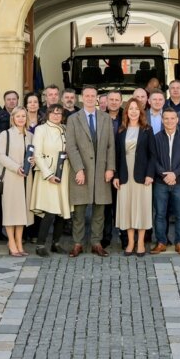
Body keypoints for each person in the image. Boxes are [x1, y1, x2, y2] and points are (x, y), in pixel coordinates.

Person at [64, 86, 116, 257]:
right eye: (86, 95)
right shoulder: (73, 119)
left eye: (93, 96)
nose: (89, 98)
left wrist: (110, 168)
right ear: (81, 97)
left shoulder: (105, 118)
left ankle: (96, 243)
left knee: (99, 210)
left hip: (101, 171)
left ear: (97, 98)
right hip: (82, 170)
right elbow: (71, 146)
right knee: (79, 211)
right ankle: (78, 243)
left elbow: (110, 145)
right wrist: (78, 169)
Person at [113, 99, 155, 256]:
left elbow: (153, 155)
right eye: (130, 108)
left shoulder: (147, 129)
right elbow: (116, 155)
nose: (133, 111)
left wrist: (150, 174)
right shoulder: (121, 130)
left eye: (136, 109)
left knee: (141, 208)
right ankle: (130, 242)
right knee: (128, 208)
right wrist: (116, 175)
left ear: (141, 112)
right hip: (125, 174)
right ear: (126, 112)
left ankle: (141, 242)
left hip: (142, 176)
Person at [150, 108, 180, 255]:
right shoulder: (156, 138)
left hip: (179, 182)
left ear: (177, 119)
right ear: (162, 120)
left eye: (172, 118)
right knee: (160, 214)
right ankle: (161, 242)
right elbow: (153, 160)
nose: (169, 121)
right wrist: (164, 175)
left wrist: (175, 174)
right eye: (166, 118)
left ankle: (179, 243)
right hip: (161, 182)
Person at [0, 107, 35, 257]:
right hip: (11, 178)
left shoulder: (30, 135)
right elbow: (0, 155)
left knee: (22, 212)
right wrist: (16, 167)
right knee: (11, 211)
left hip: (26, 179)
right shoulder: (6, 134)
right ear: (13, 118)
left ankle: (19, 242)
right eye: (18, 116)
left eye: (23, 116)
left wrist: (33, 161)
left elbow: (33, 155)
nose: (21, 119)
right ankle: (11, 241)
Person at [32, 104, 71, 256]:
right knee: (49, 211)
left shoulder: (65, 129)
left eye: (59, 113)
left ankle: (56, 243)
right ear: (48, 114)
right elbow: (37, 154)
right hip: (48, 174)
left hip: (64, 172)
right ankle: (40, 245)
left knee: (61, 210)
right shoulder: (41, 130)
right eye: (53, 113)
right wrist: (48, 174)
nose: (56, 116)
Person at [101, 90, 125, 249]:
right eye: (111, 99)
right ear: (105, 101)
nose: (114, 102)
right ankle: (106, 236)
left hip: (123, 166)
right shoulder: (100, 117)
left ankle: (124, 236)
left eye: (117, 100)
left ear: (121, 102)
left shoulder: (127, 117)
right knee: (105, 206)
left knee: (122, 204)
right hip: (104, 168)